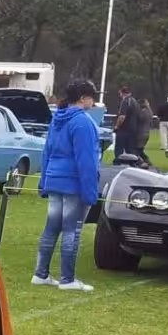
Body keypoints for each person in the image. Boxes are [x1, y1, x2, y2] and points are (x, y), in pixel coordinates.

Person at [33, 78, 104, 292]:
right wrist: (90, 191)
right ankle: (67, 279)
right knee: (71, 229)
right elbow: (87, 160)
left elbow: (47, 152)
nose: (94, 101)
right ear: (83, 98)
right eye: (92, 97)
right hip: (72, 182)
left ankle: (41, 274)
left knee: (52, 227)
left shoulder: (57, 118)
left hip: (54, 178)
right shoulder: (82, 121)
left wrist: (44, 181)